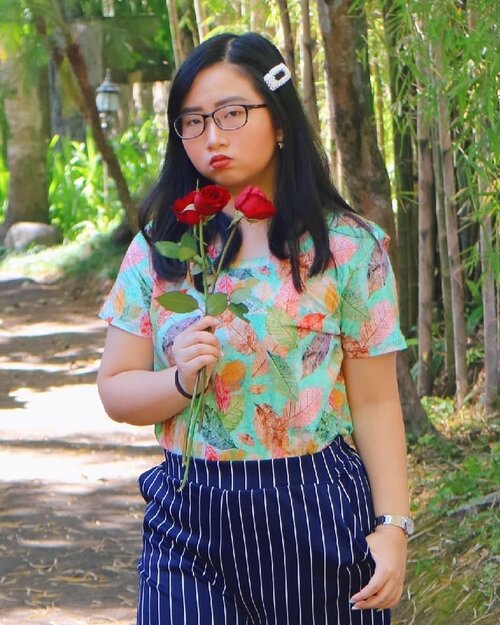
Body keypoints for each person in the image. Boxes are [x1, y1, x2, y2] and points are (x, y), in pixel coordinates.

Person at [97, 31, 411, 625]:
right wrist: (180, 382)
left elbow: (374, 403)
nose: (212, 136)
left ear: (282, 119)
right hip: (188, 514)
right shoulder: (161, 251)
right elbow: (116, 389)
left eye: (232, 114)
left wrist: (393, 527)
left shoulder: (347, 248)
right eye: (192, 122)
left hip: (315, 509)